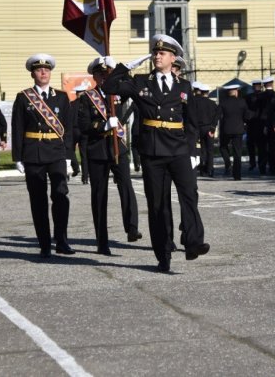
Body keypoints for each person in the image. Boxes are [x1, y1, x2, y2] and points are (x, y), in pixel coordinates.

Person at [103, 34, 209, 273]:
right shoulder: (141, 81)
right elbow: (109, 86)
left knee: (189, 195)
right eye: (155, 52)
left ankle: (193, 242)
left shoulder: (183, 86)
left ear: (173, 58)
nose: (157, 56)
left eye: (162, 53)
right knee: (158, 205)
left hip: (179, 149)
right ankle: (163, 255)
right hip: (153, 152)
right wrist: (126, 66)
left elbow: (192, 122)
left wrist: (194, 150)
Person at [11, 54, 75, 258]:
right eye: (39, 70)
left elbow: (69, 128)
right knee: (38, 200)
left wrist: (68, 156)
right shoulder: (24, 97)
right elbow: (17, 127)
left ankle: (62, 240)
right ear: (33, 74)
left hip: (56, 151)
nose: (43, 72)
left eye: (46, 70)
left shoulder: (62, 97)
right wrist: (17, 157)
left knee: (60, 195)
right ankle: (44, 243)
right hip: (33, 153)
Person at [78, 56, 142, 254]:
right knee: (99, 196)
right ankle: (102, 241)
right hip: (98, 149)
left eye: (109, 74)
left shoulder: (121, 94)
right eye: (101, 74)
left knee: (126, 186)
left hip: (119, 148)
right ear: (95, 77)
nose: (105, 78)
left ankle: (132, 228)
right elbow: (83, 126)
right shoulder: (87, 98)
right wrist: (102, 126)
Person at [218, 84, 251, 180]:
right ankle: (237, 175)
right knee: (237, 152)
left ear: (228, 92)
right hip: (238, 129)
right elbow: (247, 115)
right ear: (236, 91)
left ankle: (228, 163)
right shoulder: (242, 101)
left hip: (226, 129)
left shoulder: (223, 102)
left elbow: (218, 115)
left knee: (223, 147)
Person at [192, 82, 219, 178]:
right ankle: (210, 169)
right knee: (210, 150)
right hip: (209, 128)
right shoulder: (212, 103)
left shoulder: (196, 103)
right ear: (208, 92)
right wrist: (213, 127)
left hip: (199, 128)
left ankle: (202, 169)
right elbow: (217, 116)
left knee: (202, 149)